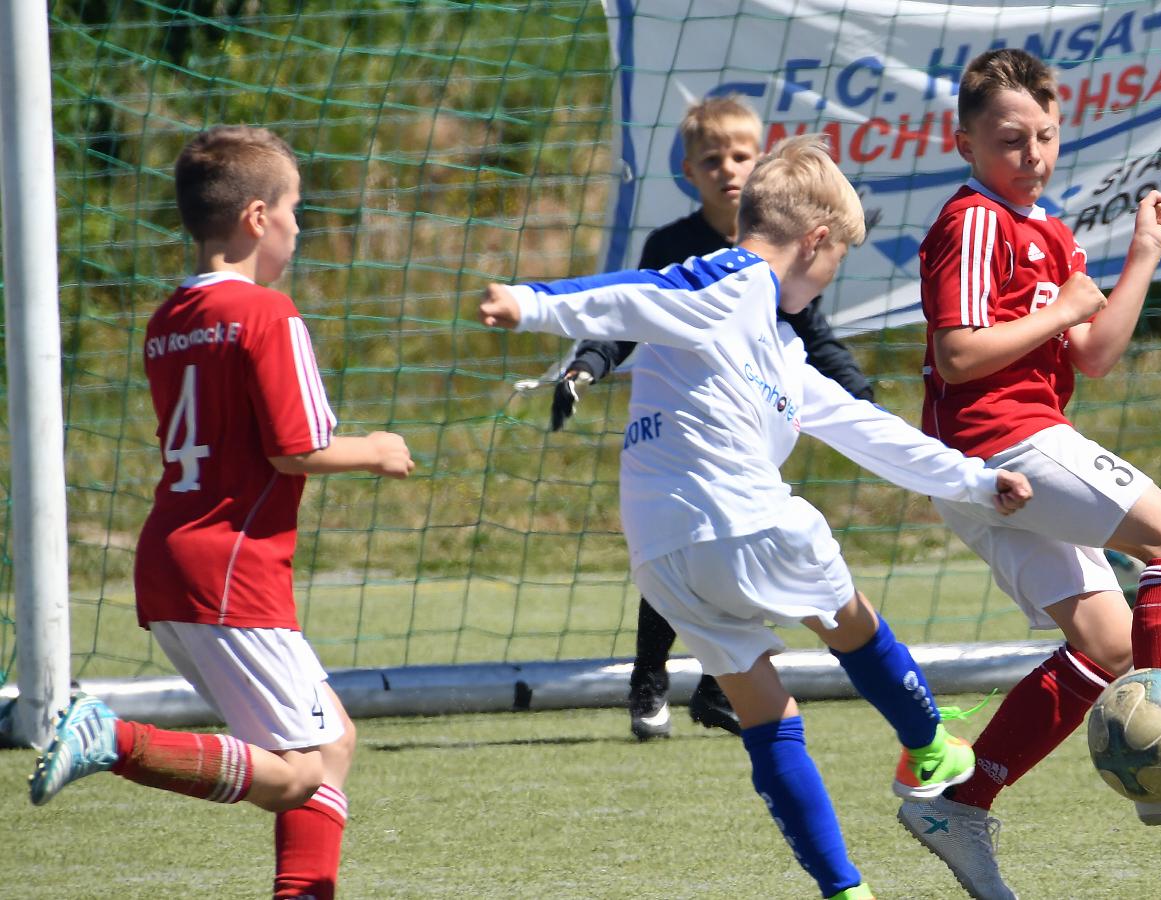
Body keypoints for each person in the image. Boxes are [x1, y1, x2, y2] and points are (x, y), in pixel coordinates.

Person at [480, 135, 1034, 900]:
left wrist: (973, 481)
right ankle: (929, 748)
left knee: (766, 713)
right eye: (838, 256)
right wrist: (533, 303)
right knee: (854, 625)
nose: (832, 274)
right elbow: (639, 293)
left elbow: (865, 430)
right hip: (741, 516)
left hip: (663, 554)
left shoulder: (774, 344)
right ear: (815, 240)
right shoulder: (735, 279)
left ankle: (844, 891)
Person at [899, 49, 1161, 899]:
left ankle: (959, 805)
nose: (1033, 153)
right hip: (999, 442)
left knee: (1112, 645)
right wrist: (1068, 306)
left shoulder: (1049, 229)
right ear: (964, 141)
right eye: (1010, 139)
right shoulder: (975, 221)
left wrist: (1143, 255)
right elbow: (959, 355)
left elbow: (1098, 354)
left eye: (1045, 134)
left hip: (996, 459)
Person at [27, 125, 416, 899]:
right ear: (258, 217)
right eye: (297, 208)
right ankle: (116, 739)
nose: (302, 226)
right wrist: (377, 447)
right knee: (304, 772)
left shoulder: (166, 320)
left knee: (329, 743)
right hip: (232, 567)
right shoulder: (270, 313)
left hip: (172, 558)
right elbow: (296, 448)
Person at [549, 96, 875, 741]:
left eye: (740, 155)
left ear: (761, 165)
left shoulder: (782, 253)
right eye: (711, 158)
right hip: (684, 423)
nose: (728, 168)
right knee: (682, 540)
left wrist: (861, 397)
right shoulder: (673, 247)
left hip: (752, 423)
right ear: (689, 172)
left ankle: (716, 689)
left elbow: (816, 335)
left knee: (742, 547)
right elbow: (627, 317)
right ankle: (649, 681)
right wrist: (585, 363)